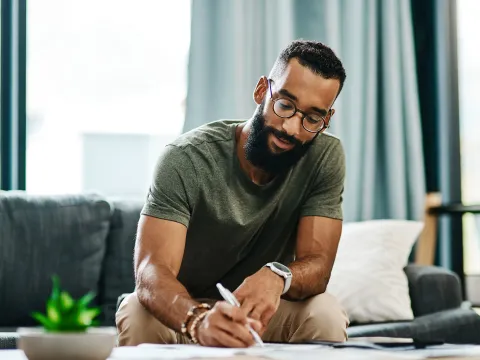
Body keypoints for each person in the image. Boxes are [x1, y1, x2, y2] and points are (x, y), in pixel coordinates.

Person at [116, 39, 349, 347]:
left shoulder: (324, 156)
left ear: (326, 119)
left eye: (312, 118)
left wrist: (278, 275)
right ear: (262, 91)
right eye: (284, 105)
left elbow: (318, 265)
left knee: (325, 313)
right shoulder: (185, 158)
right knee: (136, 311)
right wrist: (197, 320)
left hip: (260, 314)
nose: (292, 128)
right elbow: (151, 272)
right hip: (185, 309)